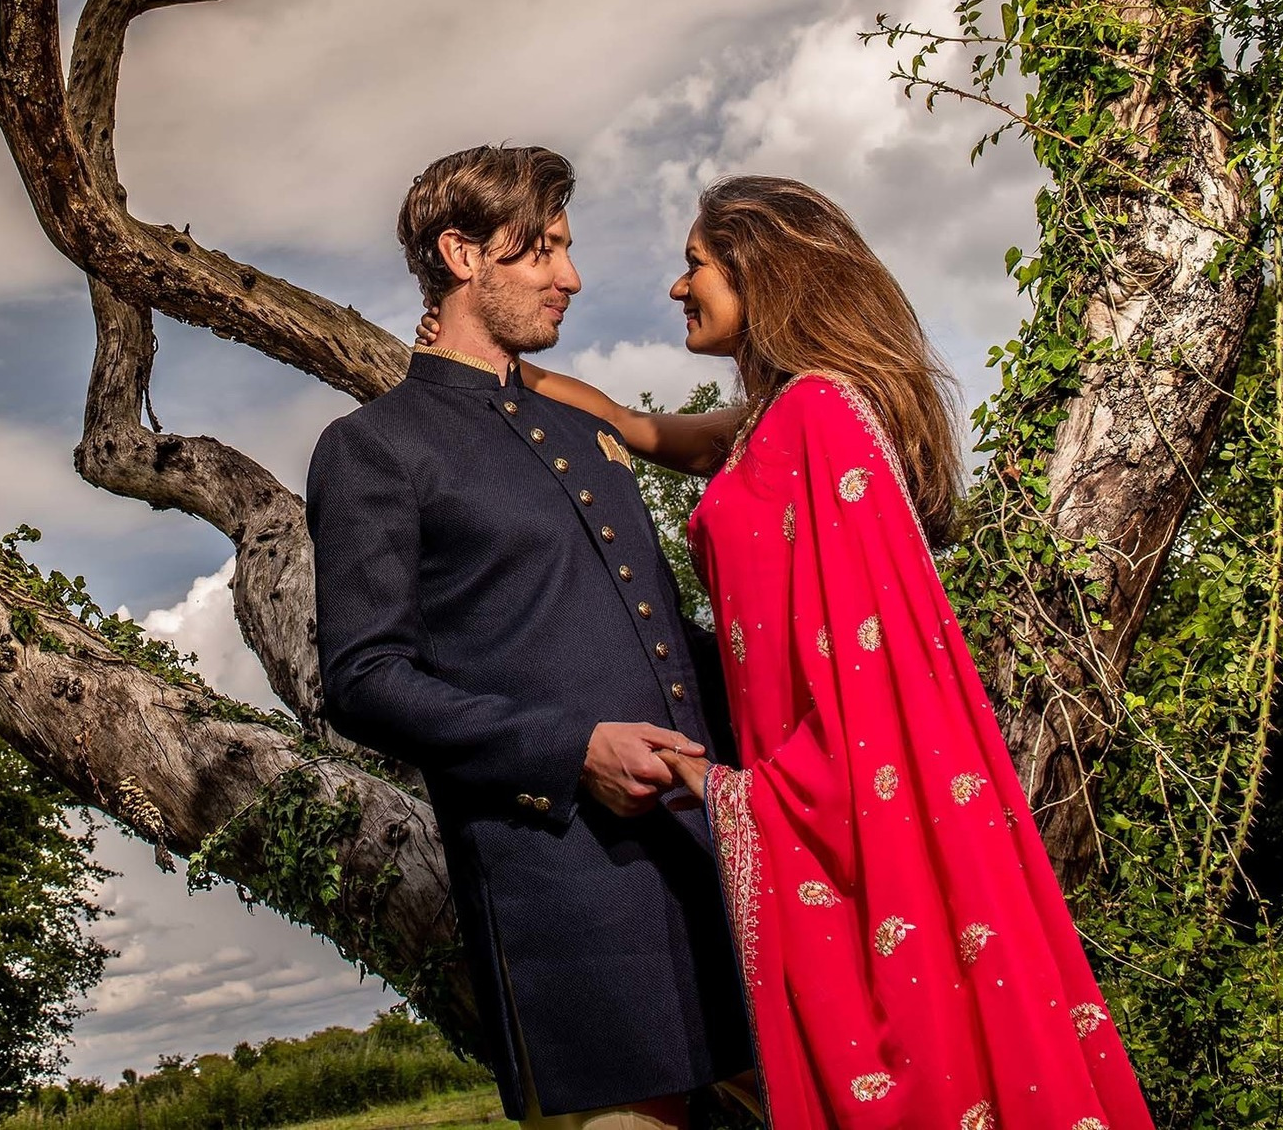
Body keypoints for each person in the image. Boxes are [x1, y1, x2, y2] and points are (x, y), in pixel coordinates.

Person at [504, 176, 1157, 1130]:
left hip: (835, 794)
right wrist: (504, 380)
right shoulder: (782, 416)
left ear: (761, 270)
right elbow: (649, 434)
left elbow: (873, 684)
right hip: (791, 764)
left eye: (695, 264)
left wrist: (734, 790)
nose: (677, 287)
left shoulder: (819, 413)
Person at [308, 145, 757, 1130]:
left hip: (716, 861)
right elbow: (364, 678)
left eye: (565, 247)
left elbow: (649, 633)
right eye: (541, 251)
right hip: (568, 895)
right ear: (461, 254)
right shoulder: (370, 449)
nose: (571, 276)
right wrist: (570, 751)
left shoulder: (571, 428)